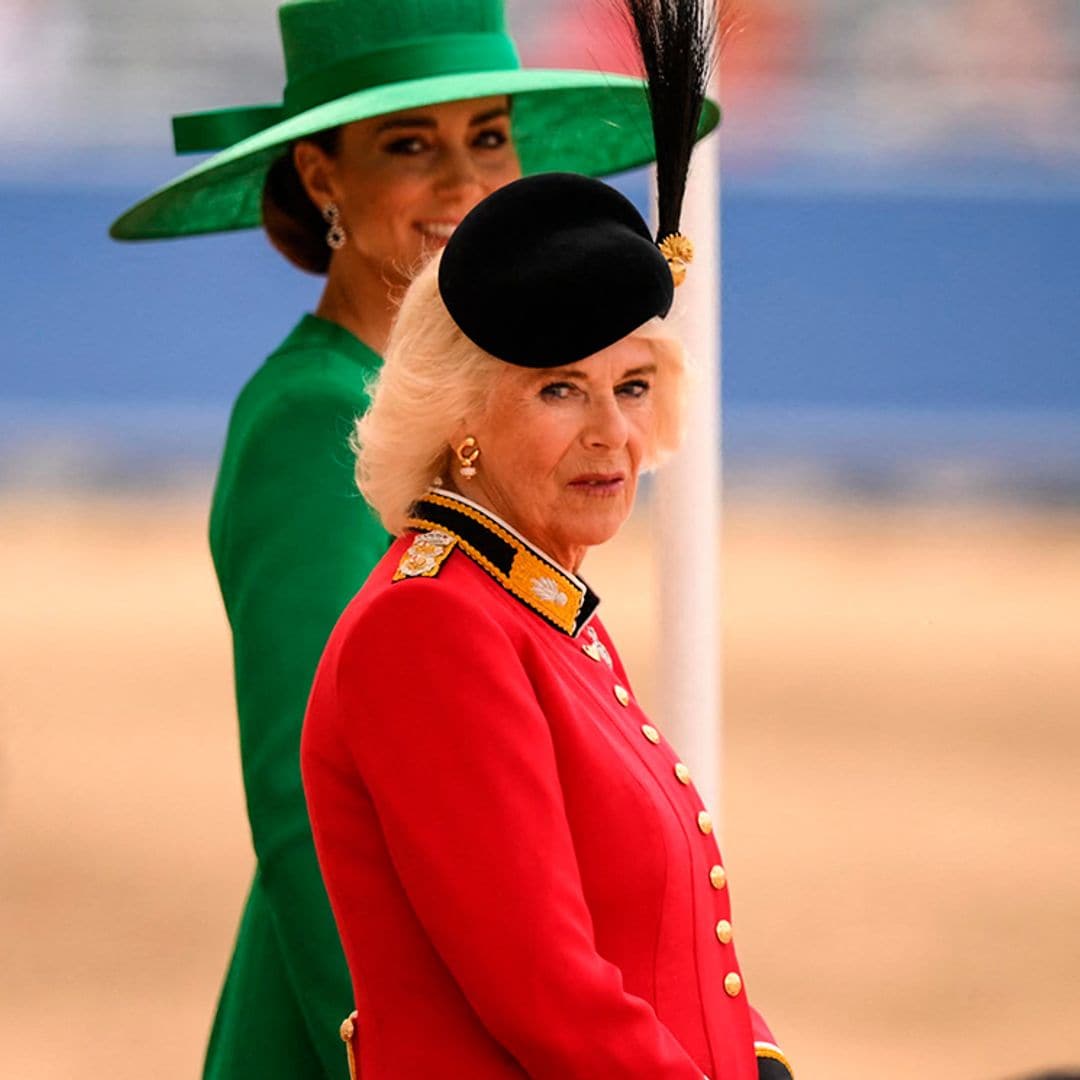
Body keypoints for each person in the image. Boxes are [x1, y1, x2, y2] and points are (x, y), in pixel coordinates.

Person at [109, 1, 717, 1077]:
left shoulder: (501, 413)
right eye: (409, 145)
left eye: (487, 135)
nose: (463, 181)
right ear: (321, 177)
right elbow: (307, 798)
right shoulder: (313, 417)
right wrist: (373, 1044)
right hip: (361, 1010)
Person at [302, 4, 791, 1076]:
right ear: (462, 414)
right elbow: (552, 1001)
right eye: (560, 390)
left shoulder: (533, 598)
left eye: (630, 385)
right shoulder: (434, 628)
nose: (611, 433)